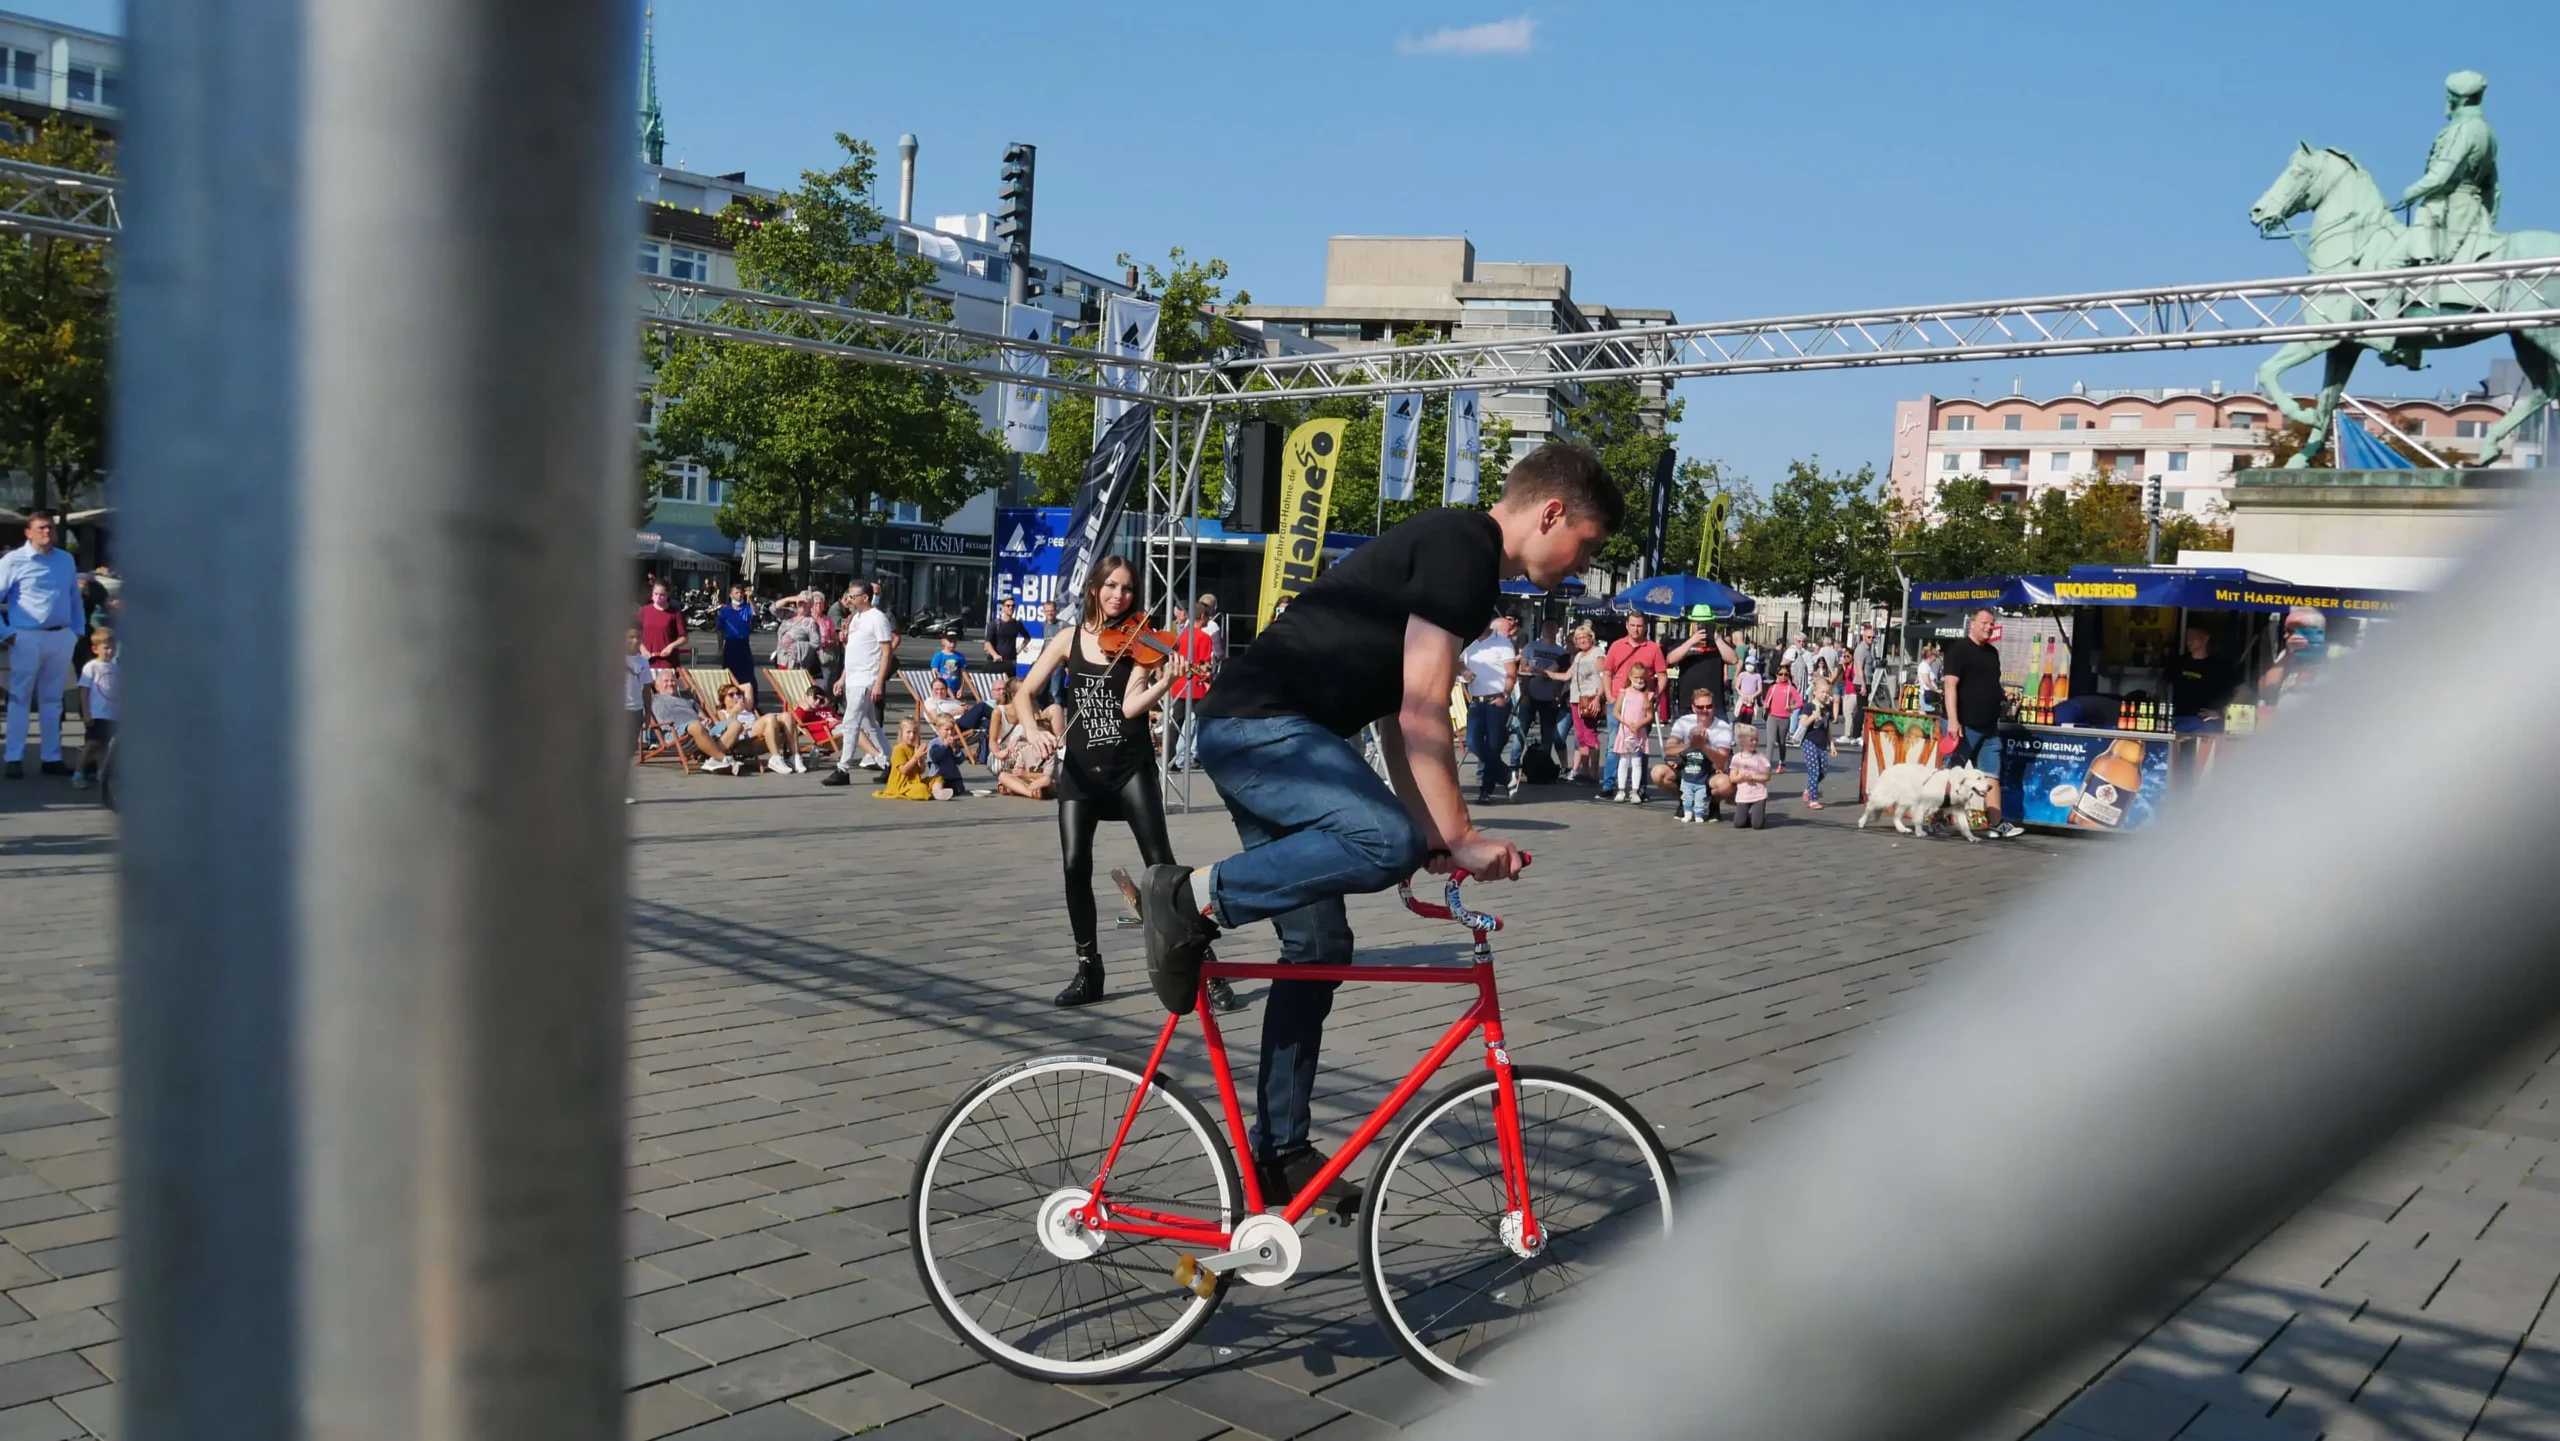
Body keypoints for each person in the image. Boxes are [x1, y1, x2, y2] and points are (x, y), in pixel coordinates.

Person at [1142, 443, 1619, 1211]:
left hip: (1269, 733)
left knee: (1322, 946)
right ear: (1550, 513)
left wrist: (1434, 829)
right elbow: (1424, 706)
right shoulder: (1465, 548)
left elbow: (1399, 722)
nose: (1580, 565)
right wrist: (1454, 834)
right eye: (1586, 545)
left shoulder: (1452, 551)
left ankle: (1279, 1154)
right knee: (1381, 841)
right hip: (1264, 727)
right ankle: (1189, 898)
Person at [1009, 555, 1236, 1012]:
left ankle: (1204, 965)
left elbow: (1132, 707)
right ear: (1094, 588)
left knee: (1163, 868)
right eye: (1111, 586)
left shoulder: (1141, 642)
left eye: (1128, 589)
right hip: (1079, 771)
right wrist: (1034, 732)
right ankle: (1088, 967)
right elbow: (1023, 693)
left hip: (1129, 767)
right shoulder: (1067, 639)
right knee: (1075, 866)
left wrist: (1166, 682)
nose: (1119, 596)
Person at [0, 511, 84, 779]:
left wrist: (77, 630)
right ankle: (14, 757)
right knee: (20, 698)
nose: (47, 532)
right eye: (41, 528)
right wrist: (6, 633)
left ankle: (52, 757)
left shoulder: (65, 559)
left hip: (60, 635)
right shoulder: (14, 561)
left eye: (50, 528)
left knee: (52, 699)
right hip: (27, 635)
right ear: (28, 532)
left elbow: (74, 597)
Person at [1941, 606, 2023, 838]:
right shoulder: (1959, 650)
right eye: (1985, 623)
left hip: (1989, 726)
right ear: (1973, 623)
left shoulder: (1992, 653)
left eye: (1992, 624)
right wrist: (1954, 722)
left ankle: (1996, 823)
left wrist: (2003, 695)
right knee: (1952, 775)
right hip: (1964, 725)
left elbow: (1990, 684)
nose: (1989, 627)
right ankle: (1938, 818)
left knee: (1991, 775)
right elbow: (1950, 686)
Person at [821, 582, 895, 783]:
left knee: (850, 723)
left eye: (853, 596)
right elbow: (853, 652)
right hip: (854, 678)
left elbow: (886, 651)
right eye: (849, 596)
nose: (850, 600)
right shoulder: (855, 618)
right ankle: (889, 763)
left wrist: (879, 682)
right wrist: (843, 678)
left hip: (866, 679)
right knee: (870, 723)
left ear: (865, 597)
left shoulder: (877, 618)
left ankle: (843, 768)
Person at [1460, 614, 1520, 804]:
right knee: (1473, 742)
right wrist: (1464, 671)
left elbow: (1512, 672)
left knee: (1493, 746)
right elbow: (1459, 662)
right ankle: (1506, 774)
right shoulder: (1468, 644)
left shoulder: (1502, 643)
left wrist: (1505, 695)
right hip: (1477, 701)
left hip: (1497, 700)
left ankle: (1485, 791)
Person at [649, 670, 741, 775]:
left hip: (702, 730)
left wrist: (705, 720)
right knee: (696, 726)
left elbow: (702, 716)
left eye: (673, 680)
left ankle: (713, 760)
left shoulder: (688, 699)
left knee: (736, 724)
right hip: (677, 732)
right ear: (657, 686)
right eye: (666, 681)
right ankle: (723, 758)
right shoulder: (654, 699)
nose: (670, 683)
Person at [1662, 688, 1732, 824]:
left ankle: (1713, 804)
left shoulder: (1723, 727)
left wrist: (1704, 747)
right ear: (1694, 708)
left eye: (1709, 706)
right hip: (1687, 768)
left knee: (1726, 784)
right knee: (1658, 773)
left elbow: (1722, 760)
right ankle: (1685, 800)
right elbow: (1668, 750)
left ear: (1714, 706)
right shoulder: (1684, 721)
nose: (1705, 710)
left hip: (1709, 772)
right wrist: (1690, 746)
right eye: (1700, 707)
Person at [1516, 617, 1570, 783]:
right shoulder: (1531, 646)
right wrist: (1523, 693)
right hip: (1529, 695)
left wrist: (1557, 694)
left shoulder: (1561, 651)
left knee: (1548, 735)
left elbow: (1563, 677)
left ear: (1557, 630)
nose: (1548, 629)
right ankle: (1514, 767)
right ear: (1541, 629)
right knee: (1520, 731)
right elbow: (1522, 669)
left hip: (1549, 698)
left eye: (1552, 627)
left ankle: (1542, 767)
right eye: (1546, 626)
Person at [1165, 601, 1217, 772]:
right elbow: (1205, 665)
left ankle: (1169, 759)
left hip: (1179, 685)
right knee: (1203, 724)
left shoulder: (1180, 636)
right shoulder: (1204, 638)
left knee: (1175, 724)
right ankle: (1200, 756)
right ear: (1203, 616)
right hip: (1198, 686)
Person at [71, 628, 115, 792]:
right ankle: (79, 773)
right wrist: (86, 712)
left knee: (104, 745)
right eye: (106, 647)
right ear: (95, 649)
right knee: (92, 744)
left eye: (112, 647)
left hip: (111, 713)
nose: (110, 651)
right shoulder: (91, 667)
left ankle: (102, 773)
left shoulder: (116, 667)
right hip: (96, 713)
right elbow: (84, 690)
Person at [2168, 623, 2239, 720]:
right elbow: (2163, 685)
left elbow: (2245, 691)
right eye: (2187, 637)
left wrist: (2221, 712)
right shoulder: (2179, 663)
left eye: (2193, 637)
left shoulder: (2220, 667)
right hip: (2177, 719)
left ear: (2205, 639)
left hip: (2207, 724)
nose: (2188, 641)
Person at [1565, 623, 1605, 783]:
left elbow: (1603, 677)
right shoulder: (1579, 656)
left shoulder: (1597, 653)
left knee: (1590, 735)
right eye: (1578, 638)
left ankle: (1594, 774)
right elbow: (1567, 676)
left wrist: (1598, 698)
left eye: (1584, 637)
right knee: (1580, 736)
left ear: (1591, 637)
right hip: (1576, 699)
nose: (1581, 640)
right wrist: (1544, 673)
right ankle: (1585, 771)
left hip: (1589, 698)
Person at [1799, 670, 1839, 809]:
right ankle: (1813, 799)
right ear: (1815, 692)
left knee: (1823, 771)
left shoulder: (1827, 709)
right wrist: (1813, 717)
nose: (1825, 695)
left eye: (1827, 693)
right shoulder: (1809, 707)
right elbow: (1803, 723)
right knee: (1814, 770)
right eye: (1823, 692)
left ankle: (1809, 788)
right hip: (1809, 741)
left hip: (1822, 744)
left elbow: (1828, 728)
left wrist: (1832, 744)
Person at [872, 718, 936, 801]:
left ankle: (936, 792)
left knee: (936, 779)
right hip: (901, 785)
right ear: (900, 733)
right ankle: (933, 793)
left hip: (914, 782)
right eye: (908, 732)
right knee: (920, 788)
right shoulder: (898, 749)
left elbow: (921, 771)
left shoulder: (914, 748)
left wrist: (921, 760)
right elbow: (904, 770)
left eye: (914, 732)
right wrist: (915, 757)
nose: (912, 735)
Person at [637, 580, 689, 681]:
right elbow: (634, 633)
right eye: (656, 594)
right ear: (652, 594)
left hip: (667, 660)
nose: (658, 597)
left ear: (667, 595)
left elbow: (683, 637)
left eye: (662, 595)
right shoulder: (644, 611)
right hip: (646, 659)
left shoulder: (675, 613)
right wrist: (642, 648)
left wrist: (671, 646)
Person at [715, 584, 758, 698]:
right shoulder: (725, 611)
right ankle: (727, 699)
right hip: (730, 644)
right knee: (728, 673)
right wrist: (720, 649)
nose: (739, 595)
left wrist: (750, 598)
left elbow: (756, 612)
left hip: (743, 644)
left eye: (741, 593)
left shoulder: (746, 609)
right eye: (736, 593)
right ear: (731, 595)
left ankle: (751, 701)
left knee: (748, 674)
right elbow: (720, 631)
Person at [1729, 724, 1774, 830]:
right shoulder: (1736, 758)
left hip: (1759, 794)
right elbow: (1732, 778)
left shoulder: (1760, 757)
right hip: (1743, 795)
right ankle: (1749, 817)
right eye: (1751, 740)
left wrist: (1753, 777)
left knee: (1757, 825)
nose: (1755, 742)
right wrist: (1741, 777)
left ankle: (1759, 817)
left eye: (1756, 740)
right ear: (1742, 741)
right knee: (1739, 823)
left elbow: (1767, 776)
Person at [1763, 668, 1802, 766]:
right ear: (1777, 675)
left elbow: (1800, 703)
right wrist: (1766, 705)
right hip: (1772, 717)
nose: (1783, 676)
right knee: (1770, 742)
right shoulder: (1773, 687)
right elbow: (1766, 700)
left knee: (1781, 742)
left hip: (1784, 718)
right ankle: (1767, 765)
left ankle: (1782, 761)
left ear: (1788, 676)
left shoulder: (1791, 688)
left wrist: (1791, 707)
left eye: (1785, 674)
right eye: (1781, 674)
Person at [983, 596, 1030, 677]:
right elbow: (987, 643)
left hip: (1010, 662)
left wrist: (1020, 648)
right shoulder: (995, 624)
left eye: (1013, 606)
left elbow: (1027, 637)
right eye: (1008, 606)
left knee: (1010, 688)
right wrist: (995, 655)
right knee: (996, 687)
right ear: (1003, 608)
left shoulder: (1017, 624)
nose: (1010, 608)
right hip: (996, 662)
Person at [929, 629, 968, 698]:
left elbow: (964, 674)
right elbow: (935, 673)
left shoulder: (960, 656)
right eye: (950, 642)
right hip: (941, 690)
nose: (952, 644)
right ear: (943, 641)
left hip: (956, 690)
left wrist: (961, 689)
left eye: (955, 642)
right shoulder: (939, 655)